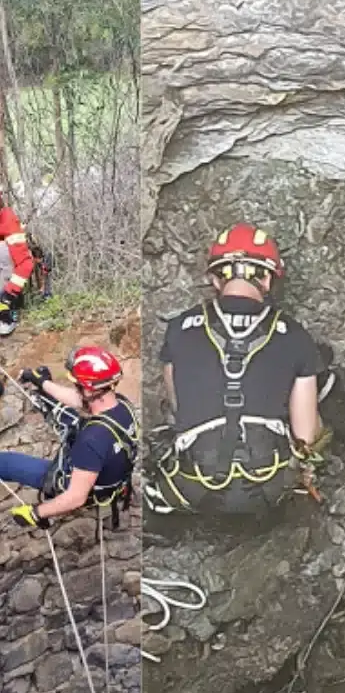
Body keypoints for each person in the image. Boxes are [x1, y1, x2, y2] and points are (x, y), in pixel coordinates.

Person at [145, 222, 327, 518]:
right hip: (269, 488)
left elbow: (178, 406)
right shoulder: (295, 334)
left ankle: (165, 508)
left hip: (193, 486)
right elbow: (305, 435)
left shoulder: (179, 328)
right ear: (266, 278)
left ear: (216, 279)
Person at [3, 346, 138, 529]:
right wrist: (43, 383)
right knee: (69, 417)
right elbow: (79, 401)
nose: (76, 389)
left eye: (78, 386)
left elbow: (75, 497)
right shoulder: (123, 406)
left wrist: (36, 513)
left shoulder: (91, 440)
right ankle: (44, 396)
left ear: (89, 390)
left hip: (76, 483)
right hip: (112, 478)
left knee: (4, 463)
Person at [0, 195, 35, 336]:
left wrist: (8, 294)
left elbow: (26, 264)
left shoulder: (8, 222)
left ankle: (8, 309)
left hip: (8, 287)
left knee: (3, 251)